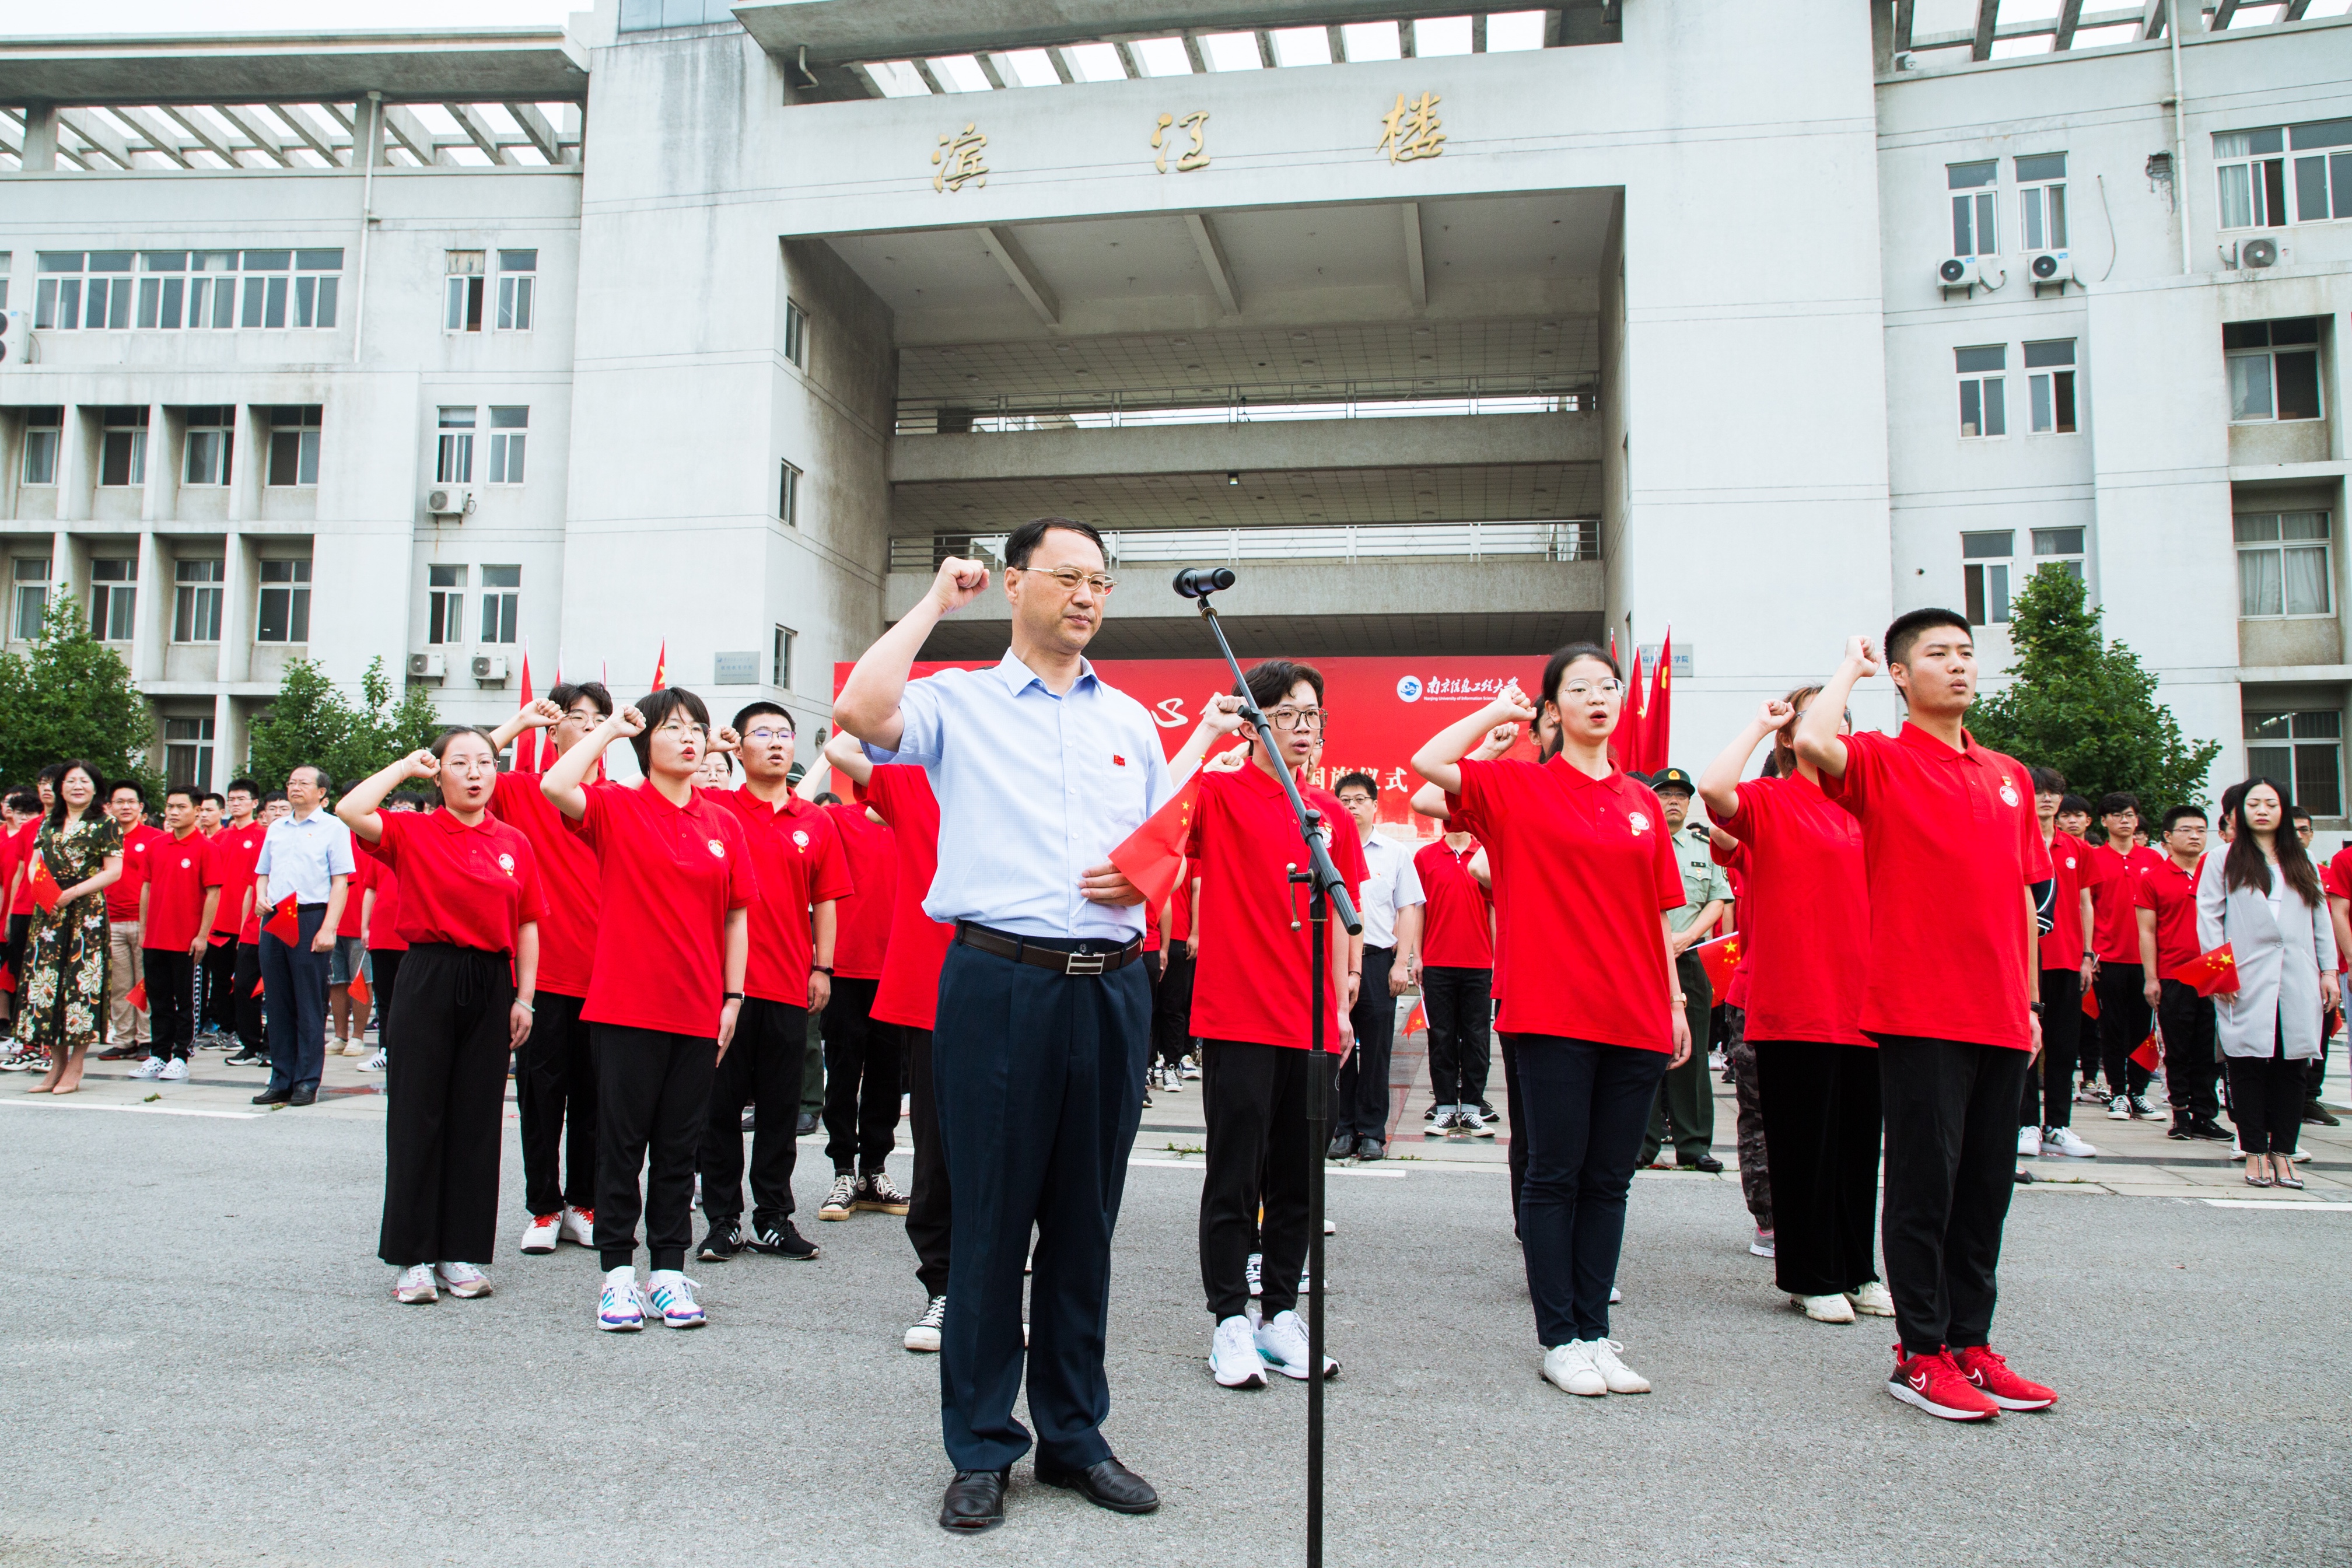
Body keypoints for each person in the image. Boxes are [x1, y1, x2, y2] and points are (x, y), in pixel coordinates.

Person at [833, 518, 1241, 1533]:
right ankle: (980, 1443)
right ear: (1015, 584)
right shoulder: (958, 701)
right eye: (1067, 576)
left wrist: (1146, 870)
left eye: (1100, 580)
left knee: (1082, 1224)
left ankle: (1073, 1434)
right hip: (997, 981)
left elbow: (1167, 845)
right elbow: (857, 706)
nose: (1087, 595)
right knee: (989, 1222)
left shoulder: (1134, 721)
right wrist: (933, 602)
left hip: (1110, 989)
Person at [1793, 614, 2056, 1423]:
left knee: (1986, 1189)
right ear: (1904, 676)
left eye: (1966, 654)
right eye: (1937, 655)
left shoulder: (2007, 775)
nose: (1958, 666)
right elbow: (1812, 742)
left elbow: (2021, 897)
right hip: (1921, 1010)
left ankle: (1973, 1346)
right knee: (1924, 1186)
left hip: (2003, 1011)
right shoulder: (1883, 761)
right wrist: (1850, 670)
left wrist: (2032, 1000)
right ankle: (1921, 1353)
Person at [1412, 648, 1687, 1400]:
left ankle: (1596, 1331)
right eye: (1579, 689)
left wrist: (1674, 1002)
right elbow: (1429, 761)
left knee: (1609, 1181)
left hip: (1635, 1014)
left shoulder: (1640, 802)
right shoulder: (1518, 787)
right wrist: (1499, 716)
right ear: (1553, 710)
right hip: (1552, 1011)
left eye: (1608, 687)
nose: (1599, 698)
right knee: (1555, 1174)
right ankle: (1558, 1337)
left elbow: (1658, 917)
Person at [543, 688, 752, 1334]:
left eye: (697, 728)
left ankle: (667, 1270)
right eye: (673, 728)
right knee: (621, 1145)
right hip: (626, 1006)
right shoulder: (616, 808)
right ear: (646, 742)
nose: (690, 738)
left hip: (697, 1009)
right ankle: (616, 1277)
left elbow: (738, 914)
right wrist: (607, 729)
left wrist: (733, 997)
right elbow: (555, 783)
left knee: (678, 1148)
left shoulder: (722, 823)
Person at [1186, 659, 1364, 1388]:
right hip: (1238, 1014)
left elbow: (1343, 919)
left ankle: (1279, 1316)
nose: (1303, 728)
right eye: (1287, 714)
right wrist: (1207, 735)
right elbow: (1158, 819)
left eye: (1313, 715)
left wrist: (1344, 1004)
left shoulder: (1331, 817)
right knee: (1235, 1174)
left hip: (1313, 1020)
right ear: (1255, 720)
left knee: (1300, 1180)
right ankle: (1229, 1319)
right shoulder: (1221, 795)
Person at [1698, 690, 1891, 1325]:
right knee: (1804, 1143)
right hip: (1794, 1000)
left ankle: (1857, 1270)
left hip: (1865, 1002)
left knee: (1860, 1146)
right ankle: (1811, 1276)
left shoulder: (1867, 809)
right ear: (1793, 738)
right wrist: (1760, 723)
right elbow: (1714, 788)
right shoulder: (1774, 803)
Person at [338, 731, 544, 1303]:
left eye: (486, 763)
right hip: (427, 975)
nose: (475, 773)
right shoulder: (413, 832)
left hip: (491, 982)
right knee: (416, 1115)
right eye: (461, 763)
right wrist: (403, 767)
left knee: (476, 1120)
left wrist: (524, 998)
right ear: (439, 775)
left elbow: (528, 924)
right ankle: (412, 1258)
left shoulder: (515, 843)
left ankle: (459, 1253)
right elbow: (351, 808)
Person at [814, 729, 959, 1352]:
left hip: (1024, 985)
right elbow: (846, 747)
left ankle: (1003, 1288)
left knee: (1018, 1154)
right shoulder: (916, 785)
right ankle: (946, 1289)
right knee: (938, 1151)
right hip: (932, 991)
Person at [694, 702, 848, 1264]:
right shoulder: (713, 808)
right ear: (740, 748)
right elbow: (663, 786)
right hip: (722, 989)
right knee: (719, 1110)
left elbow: (826, 900)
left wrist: (822, 966)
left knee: (781, 1112)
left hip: (788, 983)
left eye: (785, 734)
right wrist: (710, 745)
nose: (777, 743)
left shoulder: (815, 821)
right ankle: (723, 1220)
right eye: (762, 734)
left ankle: (774, 1217)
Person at [488, 686, 617, 1256]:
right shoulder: (519, 791)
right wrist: (514, 725)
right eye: (576, 720)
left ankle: (583, 1204)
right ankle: (543, 1208)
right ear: (553, 732)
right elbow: (453, 774)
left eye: (597, 720)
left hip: (605, 976)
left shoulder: (616, 799)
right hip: (541, 978)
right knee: (541, 1099)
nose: (587, 728)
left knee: (594, 1101)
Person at [2198, 779, 2336, 1189]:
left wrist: (2328, 972)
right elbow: (2209, 918)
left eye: (2271, 804)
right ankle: (2254, 1150)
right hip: (2245, 975)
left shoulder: (2301, 860)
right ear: (2238, 812)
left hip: (2297, 973)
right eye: (2253, 804)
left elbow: (2319, 918)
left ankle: (2284, 1152)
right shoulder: (2222, 859)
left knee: (2293, 1065)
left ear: (2283, 811)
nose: (2262, 810)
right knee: (2247, 1063)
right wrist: (2218, 972)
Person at [814, 778, 905, 1223]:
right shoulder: (837, 819)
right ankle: (843, 1171)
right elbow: (791, 804)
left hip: (900, 969)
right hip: (847, 969)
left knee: (889, 1077)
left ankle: (875, 1170)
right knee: (845, 1070)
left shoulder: (916, 821)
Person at [1640, 766, 1729, 1174]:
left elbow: (1717, 899)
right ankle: (1643, 1143)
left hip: (1689, 958)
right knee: (1644, 1052)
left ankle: (1694, 1146)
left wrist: (1685, 938)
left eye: (1681, 795)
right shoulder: (1642, 843)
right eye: (1665, 794)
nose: (1673, 801)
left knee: (1692, 1055)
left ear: (1690, 802)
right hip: (1644, 958)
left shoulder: (1702, 846)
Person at [1331, 769, 1422, 1160]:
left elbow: (1409, 908)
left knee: (1377, 1052)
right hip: (1335, 964)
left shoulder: (1395, 853)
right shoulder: (1327, 850)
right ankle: (1342, 1127)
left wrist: (1403, 962)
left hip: (1377, 961)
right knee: (1337, 1048)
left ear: (1374, 804)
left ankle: (1372, 1131)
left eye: (1359, 800)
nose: (1352, 808)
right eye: (1345, 801)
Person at [251, 767, 354, 1108]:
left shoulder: (333, 828)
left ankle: (307, 1081)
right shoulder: (277, 828)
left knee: (309, 1002)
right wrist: (260, 896)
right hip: (276, 917)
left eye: (303, 784)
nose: (295, 788)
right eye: (291, 783)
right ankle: (280, 1079)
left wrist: (329, 927)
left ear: (322, 793)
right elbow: (262, 873)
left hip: (311, 917)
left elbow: (341, 882)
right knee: (277, 1002)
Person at [20, 762, 125, 1096]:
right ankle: (55, 1065)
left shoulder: (106, 824)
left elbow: (113, 871)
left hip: (86, 913)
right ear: (60, 788)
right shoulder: (48, 825)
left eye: (84, 781)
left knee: (81, 985)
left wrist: (74, 893)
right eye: (70, 781)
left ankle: (77, 1066)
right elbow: (35, 865)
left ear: (96, 789)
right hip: (49, 911)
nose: (77, 786)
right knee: (47, 984)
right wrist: (46, 895)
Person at [2022, 767, 2101, 1160]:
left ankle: (2058, 1125)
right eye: (2039, 792)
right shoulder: (2016, 840)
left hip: (2068, 959)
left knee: (2064, 1045)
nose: (2047, 799)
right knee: (2025, 1045)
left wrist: (2088, 955)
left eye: (2054, 792)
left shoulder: (2078, 850)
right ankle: (2026, 1124)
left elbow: (2086, 903)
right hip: (2026, 959)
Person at [2138, 804, 2228, 1142]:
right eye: (2187, 830)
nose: (2194, 836)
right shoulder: (2154, 879)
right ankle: (2180, 1114)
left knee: (2211, 1050)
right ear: (2167, 837)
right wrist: (2152, 978)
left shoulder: (2218, 874)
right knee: (2177, 1049)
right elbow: (2146, 931)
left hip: (2213, 973)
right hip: (2174, 975)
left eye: (2201, 830)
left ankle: (2205, 1115)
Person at [1413, 810, 1495, 1135]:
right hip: (1437, 962)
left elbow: (1493, 908)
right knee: (1441, 1036)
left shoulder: (1486, 856)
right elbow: (1418, 908)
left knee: (1477, 1037)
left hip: (1479, 963)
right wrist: (1416, 956)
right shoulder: (1426, 857)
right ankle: (1446, 1107)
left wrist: (1495, 958)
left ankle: (1474, 1107)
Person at [128, 788, 211, 1083]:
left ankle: (181, 1055)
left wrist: (202, 935)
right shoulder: (156, 845)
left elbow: (213, 893)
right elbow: (146, 887)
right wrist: (143, 928)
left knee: (185, 1001)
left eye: (180, 807)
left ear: (197, 812)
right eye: (169, 806)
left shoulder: (205, 847)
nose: (173, 812)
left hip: (186, 939)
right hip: (156, 937)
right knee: (159, 999)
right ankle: (159, 1054)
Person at [2090, 793, 2161, 1119]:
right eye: (2116, 815)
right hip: (2108, 959)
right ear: (2104, 821)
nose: (2124, 821)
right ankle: (2117, 1092)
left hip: (2146, 961)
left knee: (2143, 1029)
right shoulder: (2095, 859)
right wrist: (2090, 954)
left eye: (2130, 815)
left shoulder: (2153, 860)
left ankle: (2139, 1092)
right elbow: (2086, 909)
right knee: (2113, 1028)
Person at [96, 780, 161, 1060]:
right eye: (119, 802)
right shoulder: (101, 837)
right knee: (119, 984)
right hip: (111, 920)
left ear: (140, 807)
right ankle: (124, 1040)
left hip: (144, 921)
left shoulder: (155, 838)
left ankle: (147, 1039)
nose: (125, 807)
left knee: (146, 981)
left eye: (131, 802)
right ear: (109, 807)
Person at [359, 797, 418, 1076]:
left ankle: (410, 1051)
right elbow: (370, 890)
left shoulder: (421, 846)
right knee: (385, 998)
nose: (400, 813)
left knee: (413, 999)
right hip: (382, 934)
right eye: (396, 808)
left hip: (411, 936)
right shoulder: (382, 849)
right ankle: (385, 1049)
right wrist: (365, 927)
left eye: (407, 808)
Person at [211, 781, 269, 1067]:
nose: (235, 804)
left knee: (269, 988)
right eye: (231, 799)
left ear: (254, 803)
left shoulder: (264, 836)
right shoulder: (220, 837)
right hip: (227, 922)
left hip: (262, 922)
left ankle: (270, 1047)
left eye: (241, 799)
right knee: (237, 985)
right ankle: (246, 1042)